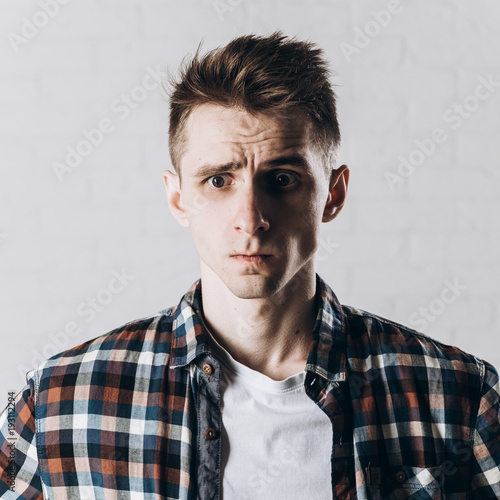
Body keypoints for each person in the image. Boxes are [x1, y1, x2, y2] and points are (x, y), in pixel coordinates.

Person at [1, 32, 499, 500]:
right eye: (218, 181)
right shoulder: (59, 402)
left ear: (334, 193)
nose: (251, 219)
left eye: (281, 179)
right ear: (178, 198)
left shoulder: (459, 396)